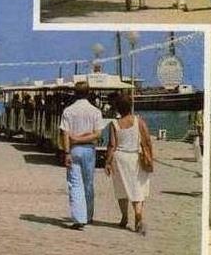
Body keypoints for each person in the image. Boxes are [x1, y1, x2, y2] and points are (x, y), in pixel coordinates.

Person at [60, 82, 106, 230]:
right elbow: (98, 134)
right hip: (89, 150)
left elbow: (65, 133)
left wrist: (67, 151)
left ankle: (79, 218)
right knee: (88, 183)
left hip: (74, 150)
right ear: (89, 93)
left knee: (75, 183)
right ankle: (89, 215)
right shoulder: (95, 111)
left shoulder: (68, 111)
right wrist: (84, 137)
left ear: (74, 93)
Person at [105, 94, 153, 234]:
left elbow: (112, 145)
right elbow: (147, 140)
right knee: (137, 187)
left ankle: (124, 217)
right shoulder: (139, 121)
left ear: (118, 108)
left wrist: (107, 162)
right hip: (134, 157)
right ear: (130, 106)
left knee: (121, 188)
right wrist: (150, 156)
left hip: (119, 158)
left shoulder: (114, 124)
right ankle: (138, 214)